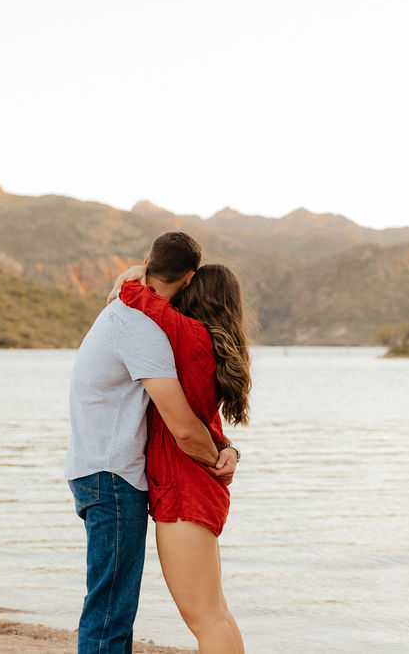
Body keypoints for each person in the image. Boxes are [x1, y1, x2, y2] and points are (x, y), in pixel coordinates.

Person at [65, 232, 238, 654]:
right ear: (188, 278)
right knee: (111, 614)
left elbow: (189, 417)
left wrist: (224, 450)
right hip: (113, 476)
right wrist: (221, 456)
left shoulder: (135, 315)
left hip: (106, 473)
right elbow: (184, 425)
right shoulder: (142, 326)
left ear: (148, 262)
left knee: (112, 611)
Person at [110, 263, 250, 654]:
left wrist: (140, 270)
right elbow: (207, 419)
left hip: (185, 490)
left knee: (206, 619)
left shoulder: (186, 335)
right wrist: (228, 451)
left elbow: (133, 294)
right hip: (192, 486)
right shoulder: (208, 344)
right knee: (216, 614)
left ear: (192, 292)